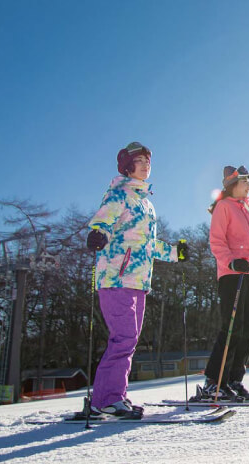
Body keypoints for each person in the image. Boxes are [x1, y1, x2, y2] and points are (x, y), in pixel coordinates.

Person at [85, 142, 189, 418]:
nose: (145, 165)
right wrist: (98, 234)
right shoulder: (119, 194)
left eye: (147, 161)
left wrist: (174, 253)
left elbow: (148, 244)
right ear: (127, 166)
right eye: (139, 160)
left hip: (139, 281)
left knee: (128, 341)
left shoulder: (146, 204)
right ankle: (105, 400)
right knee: (124, 338)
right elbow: (103, 222)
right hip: (116, 277)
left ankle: (113, 397)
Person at [196, 166, 249, 402]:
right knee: (232, 328)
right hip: (232, 275)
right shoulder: (224, 207)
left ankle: (234, 380)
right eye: (244, 182)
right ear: (232, 185)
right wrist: (232, 263)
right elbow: (217, 242)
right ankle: (213, 382)